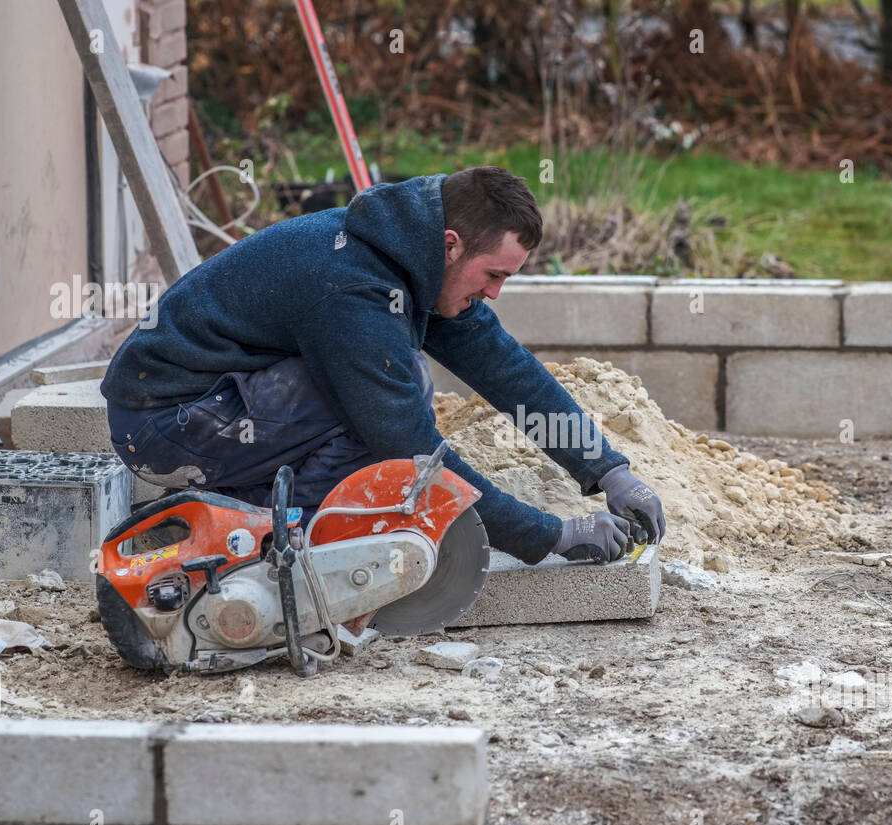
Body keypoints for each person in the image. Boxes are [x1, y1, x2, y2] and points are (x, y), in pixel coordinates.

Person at [101, 166, 664, 565]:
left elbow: (504, 369)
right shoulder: (353, 290)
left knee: (388, 388)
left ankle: (263, 509)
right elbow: (408, 446)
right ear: (451, 245)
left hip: (219, 401)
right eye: (494, 275)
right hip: (164, 425)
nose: (495, 293)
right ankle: (283, 533)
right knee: (394, 394)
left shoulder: (412, 261)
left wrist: (607, 470)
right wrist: (550, 537)